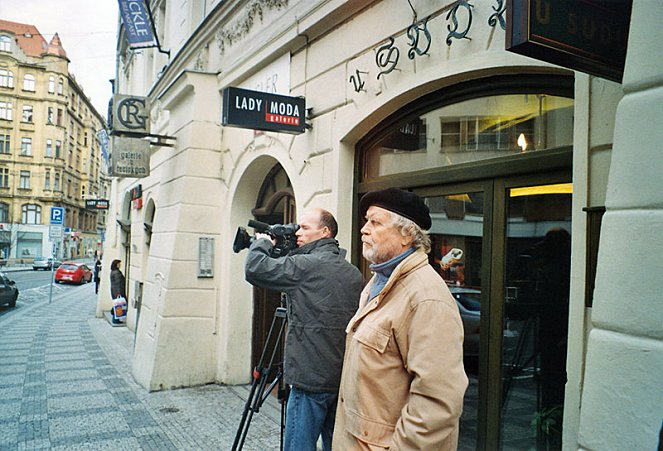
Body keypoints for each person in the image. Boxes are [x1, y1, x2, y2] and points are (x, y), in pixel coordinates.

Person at [333, 188, 468, 450]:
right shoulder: (378, 283)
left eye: (375, 222)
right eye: (366, 221)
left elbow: (437, 405)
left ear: (407, 234)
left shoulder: (426, 298)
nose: (364, 229)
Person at [244, 208, 362, 451]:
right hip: (340, 378)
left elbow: (255, 268)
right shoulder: (353, 273)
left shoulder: (306, 266)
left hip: (309, 379)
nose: (298, 232)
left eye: (305, 227)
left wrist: (262, 243)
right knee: (336, 445)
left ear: (325, 231)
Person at [110, 259, 126, 324]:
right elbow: (118, 283)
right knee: (118, 305)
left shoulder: (112, 271)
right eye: (119, 264)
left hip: (114, 290)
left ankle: (115, 318)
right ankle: (115, 319)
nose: (120, 265)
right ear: (116, 265)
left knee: (116, 305)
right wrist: (119, 293)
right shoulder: (116, 272)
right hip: (117, 291)